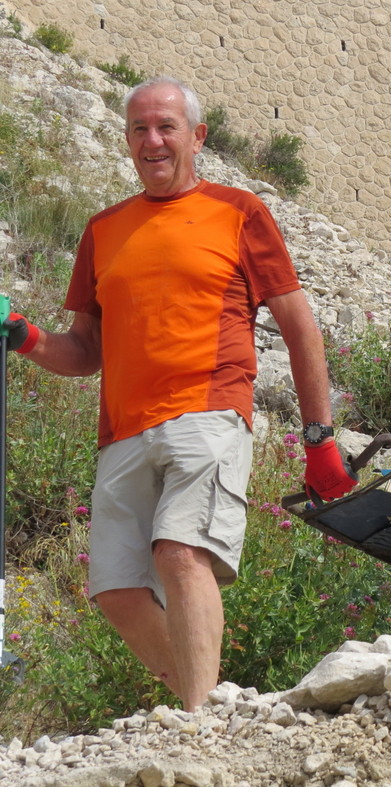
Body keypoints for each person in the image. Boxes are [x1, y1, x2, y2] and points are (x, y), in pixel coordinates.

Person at [2, 77, 355, 711]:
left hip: (209, 410)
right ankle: (211, 703)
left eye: (166, 126)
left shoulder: (238, 211)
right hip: (122, 431)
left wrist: (318, 437)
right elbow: (85, 350)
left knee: (181, 552)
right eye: (139, 128)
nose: (153, 140)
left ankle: (199, 726)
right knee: (115, 589)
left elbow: (299, 324)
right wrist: (23, 335)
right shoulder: (103, 229)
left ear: (198, 137)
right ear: (127, 139)